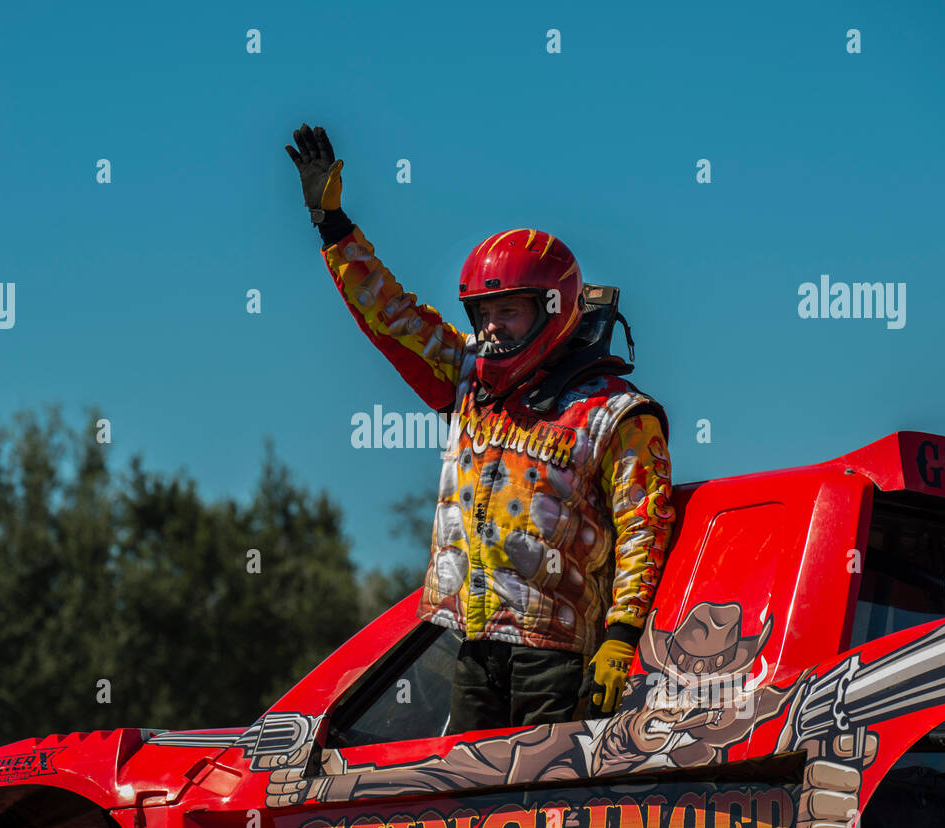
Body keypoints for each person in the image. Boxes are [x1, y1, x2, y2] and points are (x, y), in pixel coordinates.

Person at [285, 123, 675, 732]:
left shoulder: (617, 413)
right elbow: (392, 316)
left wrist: (622, 637)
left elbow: (643, 531)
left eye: (508, 312)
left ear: (555, 308)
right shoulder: (466, 377)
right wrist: (333, 227)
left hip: (560, 654)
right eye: (483, 314)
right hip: (469, 644)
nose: (492, 329)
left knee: (543, 809)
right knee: (471, 818)